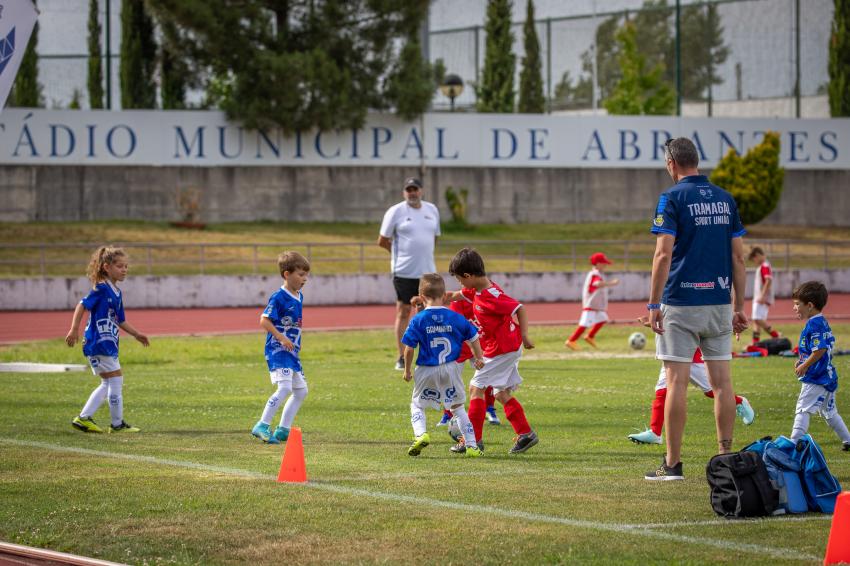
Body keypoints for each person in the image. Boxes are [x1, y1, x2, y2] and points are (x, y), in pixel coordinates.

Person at [645, 137, 748, 481]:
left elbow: (663, 254)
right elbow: (738, 257)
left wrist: (653, 303)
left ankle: (673, 464)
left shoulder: (671, 197)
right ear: (697, 160)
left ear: (671, 163)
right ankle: (726, 456)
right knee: (723, 384)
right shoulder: (725, 198)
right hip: (720, 303)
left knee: (675, 383)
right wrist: (740, 306)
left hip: (681, 302)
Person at [448, 247, 538, 454]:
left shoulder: (491, 295)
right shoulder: (475, 291)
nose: (460, 284)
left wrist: (525, 336)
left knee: (475, 387)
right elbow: (453, 296)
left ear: (469, 276)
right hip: (499, 348)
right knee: (500, 392)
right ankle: (525, 434)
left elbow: (519, 308)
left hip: (502, 349)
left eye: (460, 279)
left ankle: (473, 440)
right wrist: (429, 297)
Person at [66, 246, 150, 434]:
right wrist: (73, 329)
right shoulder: (101, 288)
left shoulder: (117, 292)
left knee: (108, 382)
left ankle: (85, 418)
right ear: (106, 267)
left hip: (106, 343)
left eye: (126, 266)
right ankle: (116, 424)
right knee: (116, 380)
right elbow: (82, 305)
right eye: (120, 266)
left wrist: (137, 334)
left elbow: (120, 320)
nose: (124, 270)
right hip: (98, 341)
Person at [401, 273, 486, 457]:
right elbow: (474, 337)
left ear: (422, 297)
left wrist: (407, 370)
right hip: (451, 368)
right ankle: (472, 446)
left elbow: (409, 349)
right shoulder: (455, 317)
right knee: (458, 407)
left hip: (426, 369)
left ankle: (421, 435)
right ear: (445, 295)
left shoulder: (419, 319)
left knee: (417, 405)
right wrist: (479, 358)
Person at [628, 323, 755, 445]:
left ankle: (739, 401)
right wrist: (654, 321)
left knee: (711, 391)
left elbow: (682, 323)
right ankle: (655, 433)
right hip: (671, 353)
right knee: (662, 392)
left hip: (690, 356)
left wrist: (653, 321)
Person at [378, 177, 441, 371]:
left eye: (415, 189)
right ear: (404, 192)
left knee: (427, 313)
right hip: (404, 271)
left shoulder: (432, 210)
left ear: (421, 191)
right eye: (408, 190)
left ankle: (427, 354)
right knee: (404, 311)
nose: (412, 193)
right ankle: (401, 356)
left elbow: (435, 238)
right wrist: (401, 256)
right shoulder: (395, 211)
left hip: (427, 272)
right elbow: (382, 240)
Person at [251, 251, 310, 445]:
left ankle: (283, 429)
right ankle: (262, 425)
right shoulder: (278, 297)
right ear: (287, 274)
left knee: (301, 391)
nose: (305, 279)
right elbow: (264, 321)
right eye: (300, 275)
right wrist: (281, 337)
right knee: (284, 388)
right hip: (278, 350)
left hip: (291, 352)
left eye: (306, 275)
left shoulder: (298, 296)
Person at [789, 281, 850, 450]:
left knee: (803, 409)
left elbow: (820, 350)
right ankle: (848, 440)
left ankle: (794, 443)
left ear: (809, 305)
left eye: (796, 304)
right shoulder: (821, 321)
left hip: (817, 378)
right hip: (828, 376)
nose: (794, 308)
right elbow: (816, 350)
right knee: (830, 413)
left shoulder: (814, 325)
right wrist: (802, 360)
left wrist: (804, 366)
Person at [435, 292, 501, 427]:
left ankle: (489, 409)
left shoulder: (485, 298)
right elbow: (458, 325)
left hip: (482, 346)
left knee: (487, 377)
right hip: (460, 346)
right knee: (450, 379)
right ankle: (448, 413)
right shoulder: (458, 300)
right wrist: (472, 346)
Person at [565, 252, 620, 350]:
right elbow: (597, 283)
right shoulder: (595, 274)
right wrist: (612, 283)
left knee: (603, 319)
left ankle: (590, 336)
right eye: (604, 263)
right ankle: (571, 340)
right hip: (590, 305)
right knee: (584, 324)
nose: (605, 265)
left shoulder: (597, 274)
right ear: (598, 264)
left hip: (595, 306)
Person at [748, 246, 781, 344]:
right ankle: (755, 342)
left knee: (756, 319)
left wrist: (762, 296)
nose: (754, 262)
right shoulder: (763, 266)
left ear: (757, 256)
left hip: (761, 298)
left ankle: (776, 335)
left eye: (754, 259)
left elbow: (768, 280)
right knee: (756, 320)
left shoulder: (764, 266)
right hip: (759, 297)